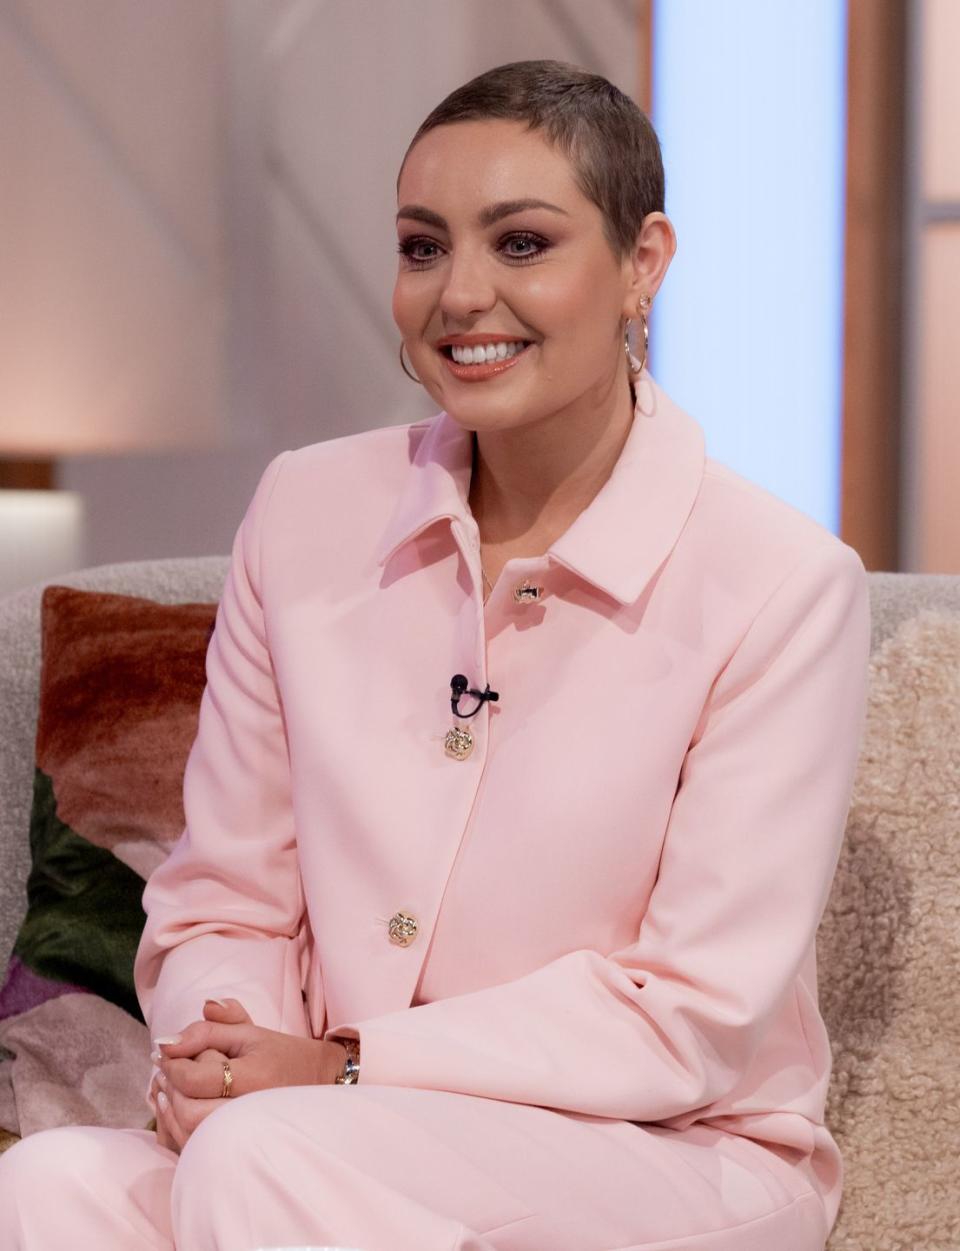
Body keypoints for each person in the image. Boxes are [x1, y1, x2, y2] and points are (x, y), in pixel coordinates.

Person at [0, 59, 869, 1250]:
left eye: (521, 245)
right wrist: (230, 1051)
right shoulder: (306, 511)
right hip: (325, 1124)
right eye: (423, 247)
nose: (461, 294)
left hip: (672, 1149)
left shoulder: (781, 584)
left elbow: (693, 1014)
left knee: (266, 1165)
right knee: (48, 1187)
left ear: (643, 262)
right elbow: (226, 892)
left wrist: (346, 1069)